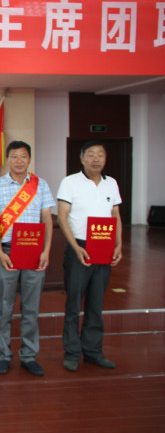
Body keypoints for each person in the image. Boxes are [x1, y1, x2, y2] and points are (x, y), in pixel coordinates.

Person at [0, 141, 55, 376]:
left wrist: (46, 251)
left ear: (29, 159)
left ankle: (29, 355)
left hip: (34, 252)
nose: (19, 161)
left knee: (31, 307)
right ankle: (3, 355)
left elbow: (47, 218)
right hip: (6, 252)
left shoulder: (40, 185)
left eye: (23, 156)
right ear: (7, 159)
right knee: (4, 307)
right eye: (14, 156)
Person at [57, 140, 123, 372]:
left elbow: (115, 215)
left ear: (105, 159)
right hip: (79, 248)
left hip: (103, 247)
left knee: (96, 304)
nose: (96, 159)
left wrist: (118, 244)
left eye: (100, 154)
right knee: (74, 304)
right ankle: (72, 353)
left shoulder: (111, 183)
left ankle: (93, 352)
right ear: (82, 158)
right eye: (91, 154)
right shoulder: (70, 182)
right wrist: (76, 247)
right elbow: (62, 217)